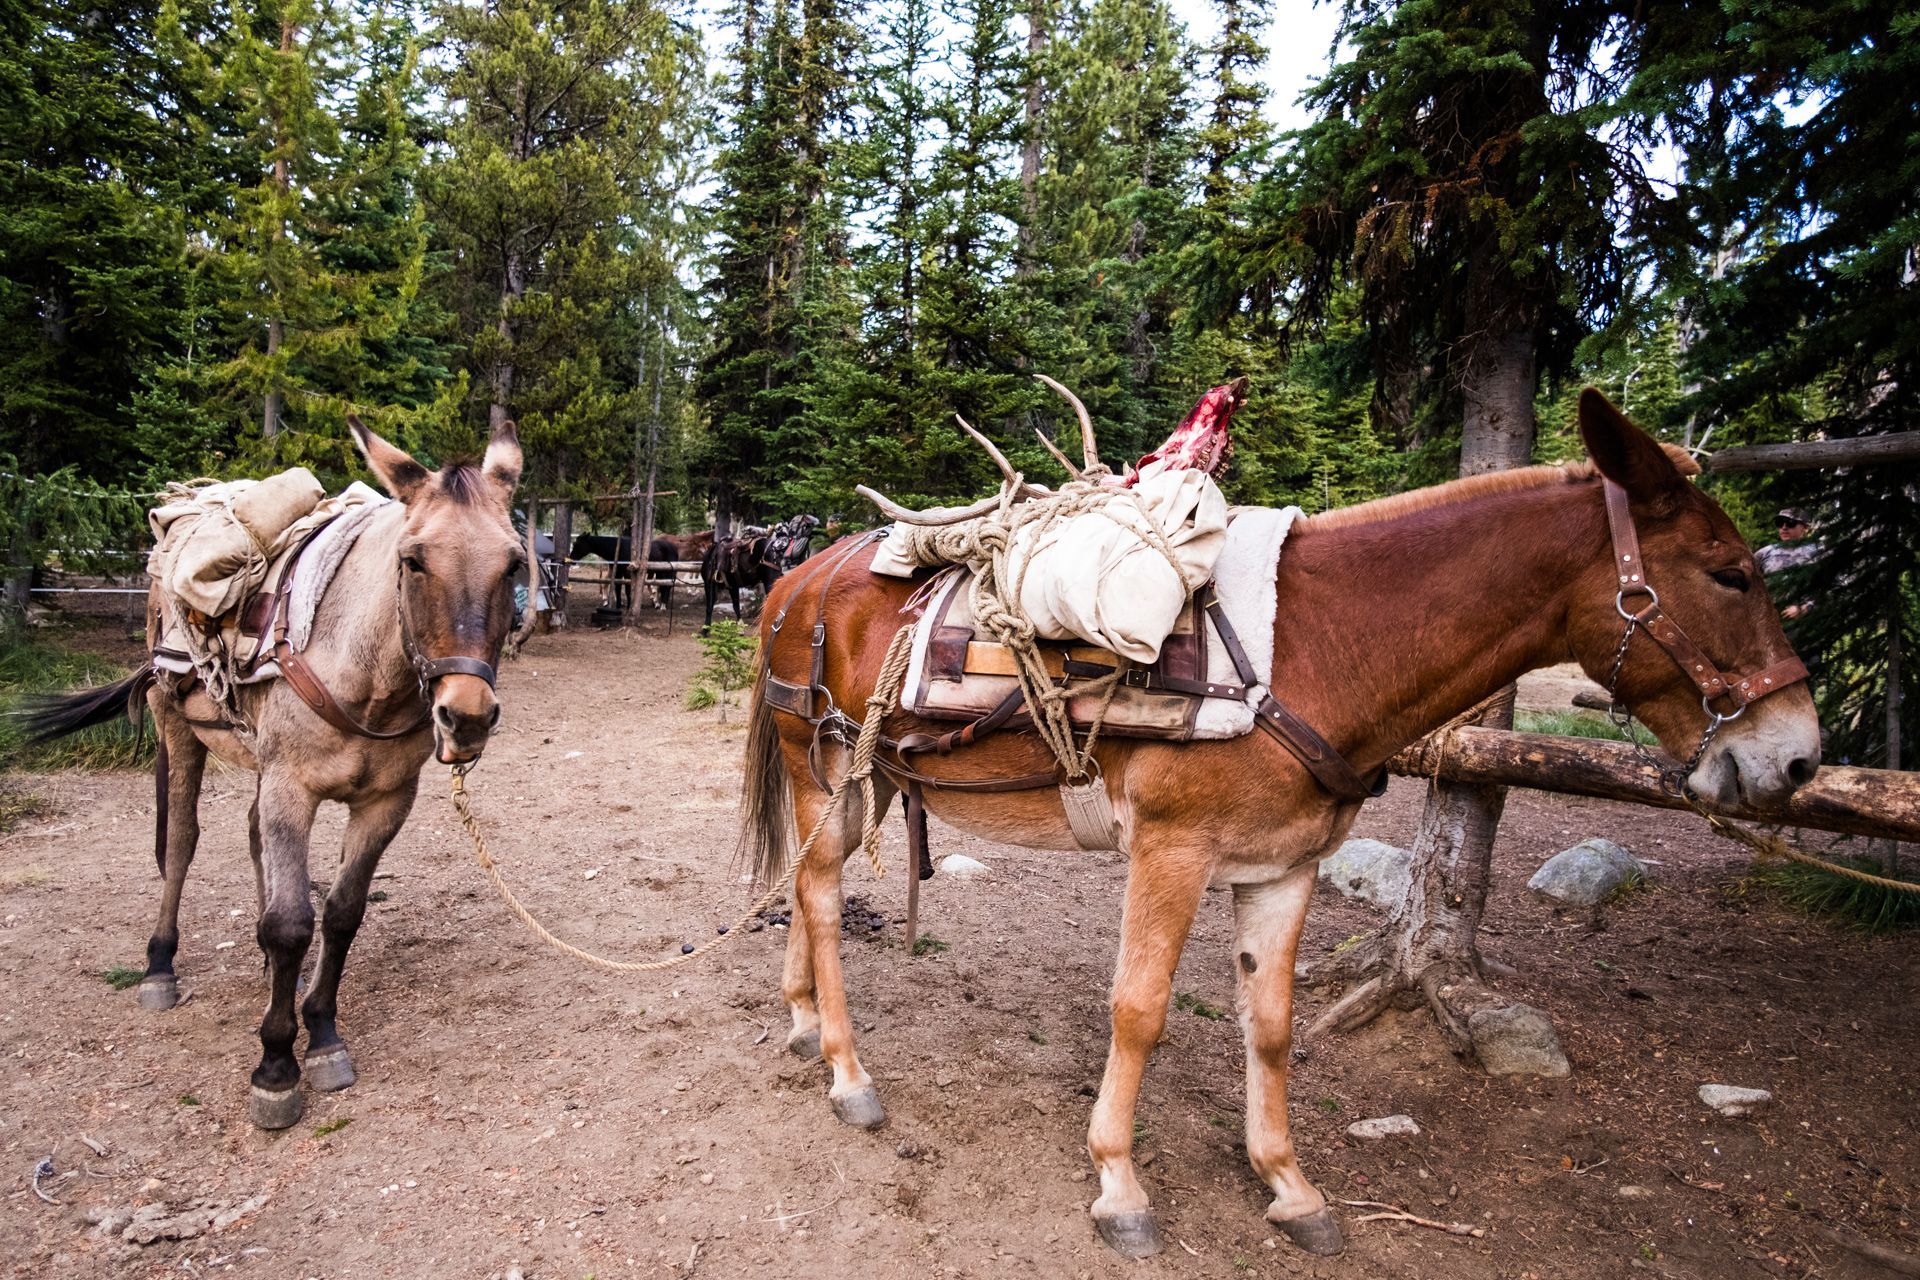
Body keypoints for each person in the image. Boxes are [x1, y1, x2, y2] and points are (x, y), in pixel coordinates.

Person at [1754, 507, 1822, 620]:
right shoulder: (1764, 553)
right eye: (1780, 523)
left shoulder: (1819, 551)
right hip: (1769, 620)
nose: (1784, 527)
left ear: (1805, 527)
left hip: (1806, 623)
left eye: (1791, 523)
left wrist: (1806, 608)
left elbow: (1836, 588)